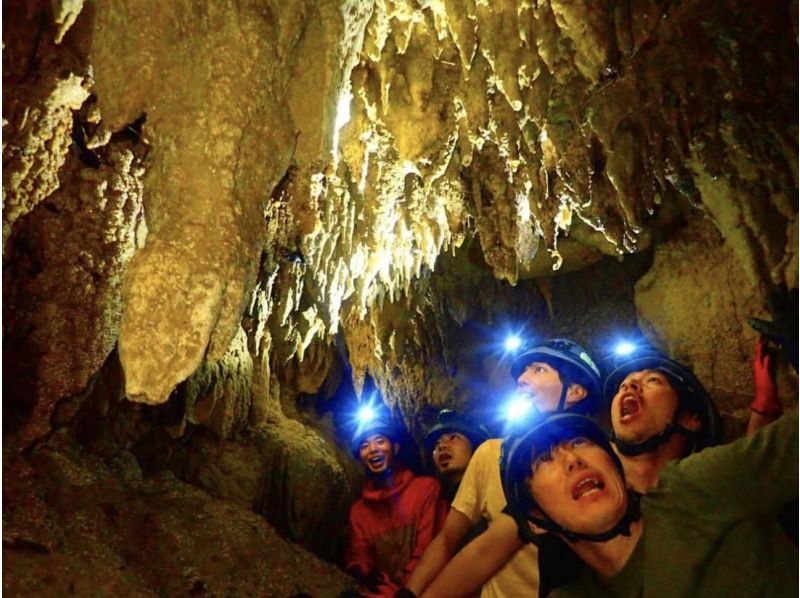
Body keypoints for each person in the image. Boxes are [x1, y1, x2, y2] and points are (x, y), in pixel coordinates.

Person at [501, 412, 798, 597]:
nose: (572, 459)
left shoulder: (691, 490)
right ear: (535, 520)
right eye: (543, 460)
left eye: (580, 442)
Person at [402, 339, 603, 598]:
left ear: (575, 391)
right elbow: (450, 540)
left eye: (538, 369)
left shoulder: (599, 462)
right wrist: (409, 593)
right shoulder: (492, 454)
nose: (522, 378)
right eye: (522, 372)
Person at [344, 413, 446, 597]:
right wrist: (358, 570)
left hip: (427, 588)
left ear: (395, 448)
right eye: (365, 446)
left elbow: (430, 546)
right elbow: (359, 553)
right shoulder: (359, 511)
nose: (373, 449)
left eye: (380, 441)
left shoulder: (426, 489)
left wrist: (409, 589)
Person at [602, 348, 722, 491]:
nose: (629, 385)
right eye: (622, 385)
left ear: (689, 419)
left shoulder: (714, 491)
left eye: (653, 380)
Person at [423, 409, 489, 502]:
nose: (441, 446)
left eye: (453, 438)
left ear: (475, 448)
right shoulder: (434, 501)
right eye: (437, 443)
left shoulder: (499, 488)